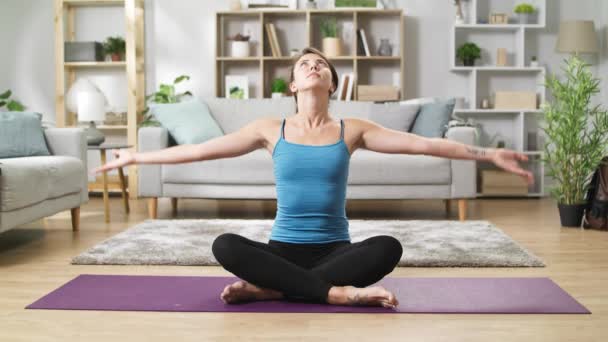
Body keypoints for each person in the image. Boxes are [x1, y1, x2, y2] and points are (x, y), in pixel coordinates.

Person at [93, 47, 534, 309]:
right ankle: (333, 295)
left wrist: (487, 153)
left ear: (331, 84)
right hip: (281, 249)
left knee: (388, 247)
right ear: (292, 86)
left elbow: (424, 144)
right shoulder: (270, 129)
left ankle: (272, 290)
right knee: (224, 245)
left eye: (320, 64)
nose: (313, 66)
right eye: (305, 64)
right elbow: (197, 151)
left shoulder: (353, 129)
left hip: (335, 250)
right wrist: (135, 156)